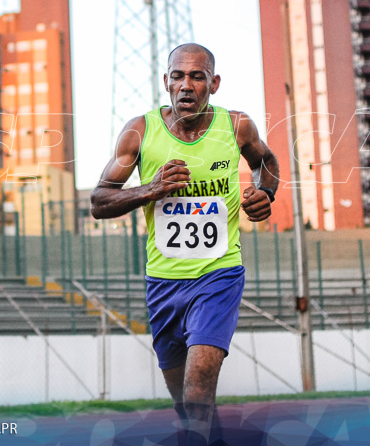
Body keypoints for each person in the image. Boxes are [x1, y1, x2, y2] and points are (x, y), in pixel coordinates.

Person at [91, 43, 278, 446]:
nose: (186, 85)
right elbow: (98, 201)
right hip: (163, 282)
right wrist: (151, 189)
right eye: (178, 76)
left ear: (214, 83)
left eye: (197, 76)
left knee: (196, 393)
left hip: (218, 275)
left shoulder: (236, 126)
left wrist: (265, 195)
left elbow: (266, 162)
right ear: (166, 82)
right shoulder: (140, 132)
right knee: (184, 403)